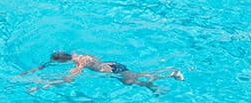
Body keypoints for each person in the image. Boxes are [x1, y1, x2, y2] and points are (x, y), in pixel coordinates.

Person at [24, 51, 183, 93]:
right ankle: (154, 88)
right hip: (112, 66)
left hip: (115, 69)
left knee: (134, 79)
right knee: (133, 82)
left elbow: (68, 80)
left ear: (62, 60)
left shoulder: (79, 63)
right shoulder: (76, 55)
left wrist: (41, 86)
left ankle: (172, 72)